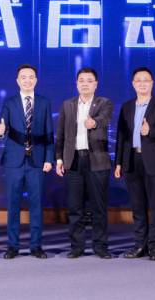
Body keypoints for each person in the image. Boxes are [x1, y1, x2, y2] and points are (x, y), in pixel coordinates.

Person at [55, 67, 114, 259]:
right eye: (81, 80)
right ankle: (77, 247)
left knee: (99, 207)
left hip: (97, 160)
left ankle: (100, 246)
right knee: (75, 207)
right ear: (76, 84)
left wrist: (94, 122)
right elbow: (61, 134)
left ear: (96, 84)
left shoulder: (104, 102)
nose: (85, 84)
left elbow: (104, 119)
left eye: (89, 80)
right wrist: (59, 158)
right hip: (73, 160)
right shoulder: (68, 104)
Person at [0, 64, 54, 259]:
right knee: (13, 204)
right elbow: (3, 126)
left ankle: (36, 246)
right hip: (14, 160)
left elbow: (48, 133)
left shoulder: (44, 103)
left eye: (31, 77)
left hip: (37, 161)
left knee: (36, 205)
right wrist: (0, 131)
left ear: (36, 80)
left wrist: (49, 158)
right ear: (17, 81)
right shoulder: (9, 102)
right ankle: (12, 246)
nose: (27, 80)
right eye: (23, 77)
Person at [114, 67, 155, 261]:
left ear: (152, 83)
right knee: (137, 206)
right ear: (133, 84)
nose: (142, 83)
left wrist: (149, 131)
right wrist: (119, 162)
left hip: (154, 161)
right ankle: (140, 245)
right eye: (138, 80)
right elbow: (121, 136)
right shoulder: (127, 107)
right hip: (132, 160)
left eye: (146, 80)